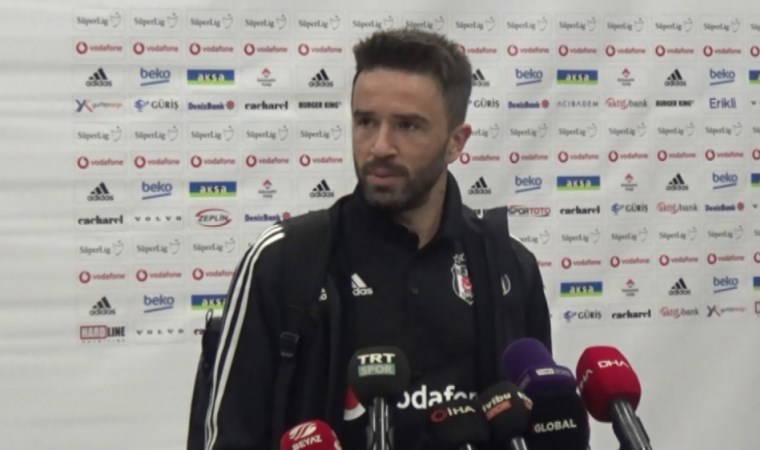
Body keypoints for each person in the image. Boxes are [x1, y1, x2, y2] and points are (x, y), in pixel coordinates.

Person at [203, 29, 550, 450]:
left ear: (455, 143)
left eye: (407, 126)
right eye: (366, 121)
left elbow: (540, 426)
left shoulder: (508, 266)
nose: (380, 146)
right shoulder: (282, 262)